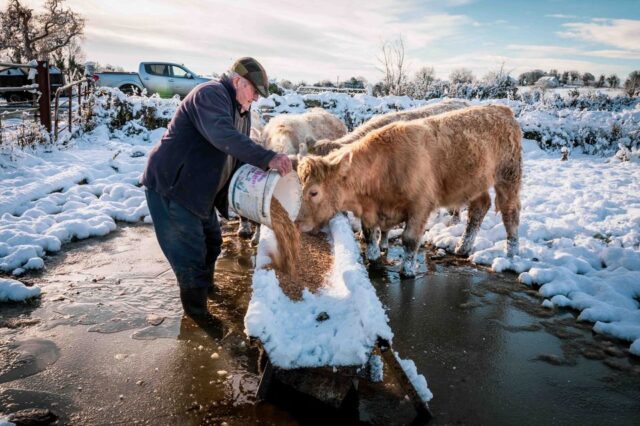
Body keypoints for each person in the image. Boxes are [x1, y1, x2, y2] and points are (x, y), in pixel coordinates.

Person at [141, 57, 292, 320]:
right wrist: (267, 157)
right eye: (254, 91)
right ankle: (198, 315)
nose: (256, 98)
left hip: (200, 191)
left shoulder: (241, 111)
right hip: (174, 187)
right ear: (237, 82)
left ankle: (205, 290)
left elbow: (238, 154)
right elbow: (223, 136)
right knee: (191, 256)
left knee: (212, 243)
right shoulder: (210, 94)